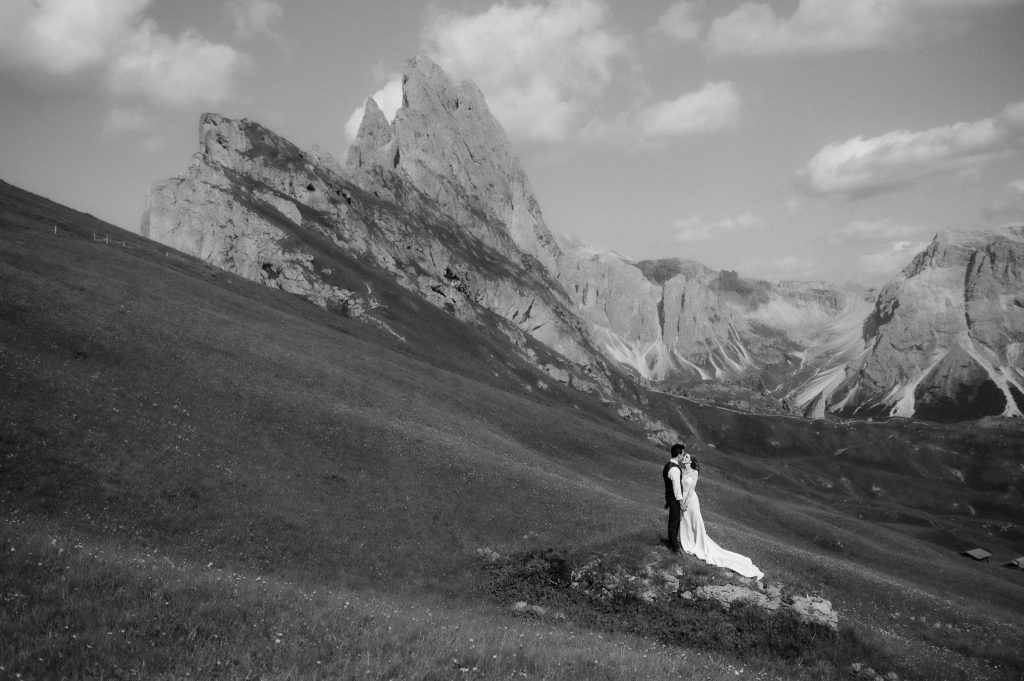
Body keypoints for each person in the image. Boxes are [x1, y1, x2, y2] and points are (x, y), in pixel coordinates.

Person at [677, 449, 764, 581]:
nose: (684, 457)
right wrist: (680, 501)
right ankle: (687, 543)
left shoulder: (694, 472)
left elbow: (692, 489)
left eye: (687, 456)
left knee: (695, 522)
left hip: (691, 501)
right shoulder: (681, 471)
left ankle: (697, 544)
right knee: (685, 522)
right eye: (684, 456)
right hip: (681, 498)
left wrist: (686, 503)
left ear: (691, 460)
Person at [662, 443, 686, 553]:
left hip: (670, 496)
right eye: (683, 453)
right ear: (679, 455)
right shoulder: (675, 469)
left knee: (673, 521)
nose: (683, 455)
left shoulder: (668, 465)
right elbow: (676, 487)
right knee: (674, 522)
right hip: (674, 498)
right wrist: (681, 502)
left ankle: (673, 544)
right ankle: (674, 548)